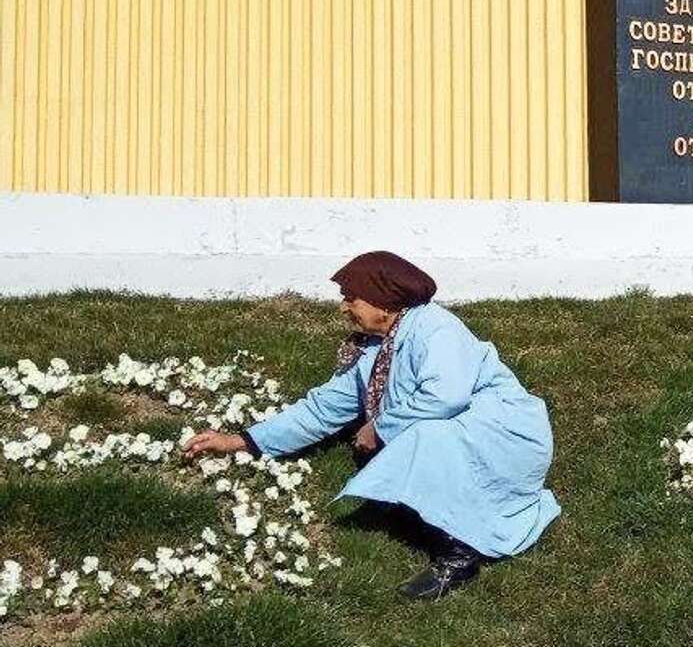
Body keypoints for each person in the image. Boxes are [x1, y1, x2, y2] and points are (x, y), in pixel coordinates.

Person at [183, 251, 560, 600]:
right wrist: (238, 441)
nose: (344, 307)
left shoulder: (435, 327)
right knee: (415, 440)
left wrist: (378, 428)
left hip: (503, 435)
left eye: (352, 297)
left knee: (422, 436)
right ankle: (431, 515)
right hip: (463, 434)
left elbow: (447, 397)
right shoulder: (372, 350)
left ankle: (458, 556)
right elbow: (321, 410)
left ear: (383, 301)